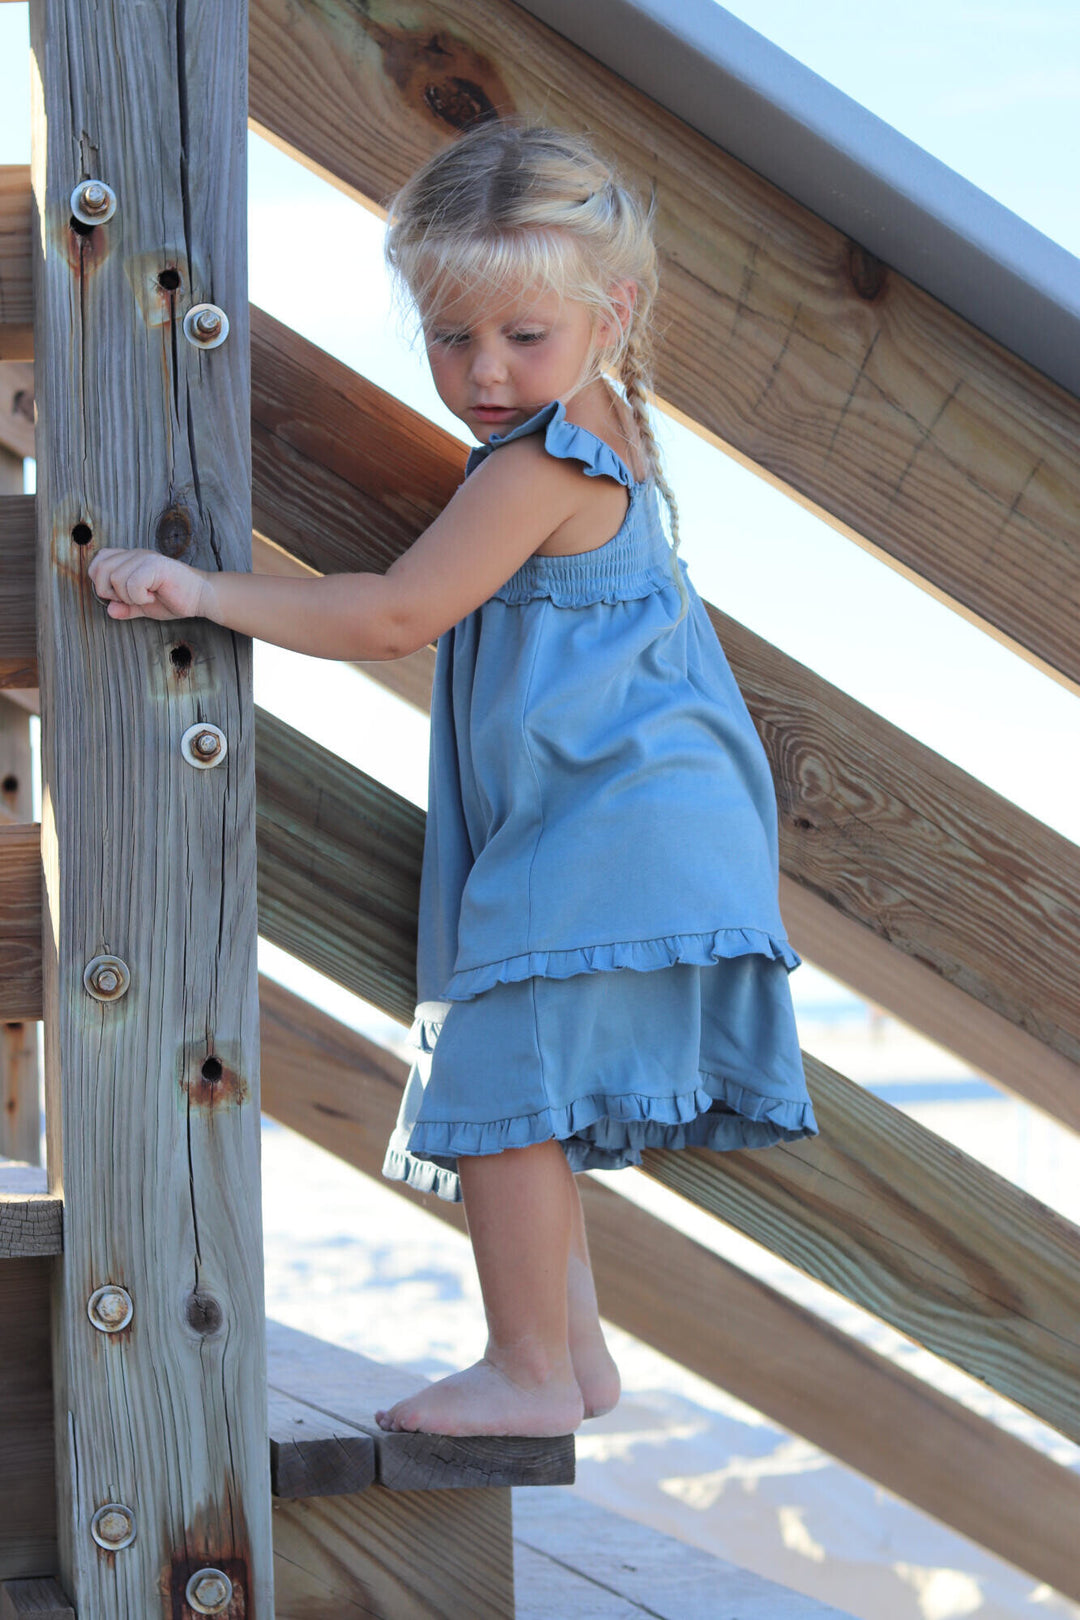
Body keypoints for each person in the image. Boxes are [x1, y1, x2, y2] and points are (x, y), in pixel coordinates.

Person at [87, 119, 818, 1442]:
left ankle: (531, 1367)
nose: (482, 373)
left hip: (619, 819)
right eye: (448, 337)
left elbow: (390, 615)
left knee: (496, 1079)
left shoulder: (545, 464)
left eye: (520, 337)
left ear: (616, 311)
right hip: (628, 810)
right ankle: (572, 1356)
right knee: (519, 1082)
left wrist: (200, 589)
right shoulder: (576, 435)